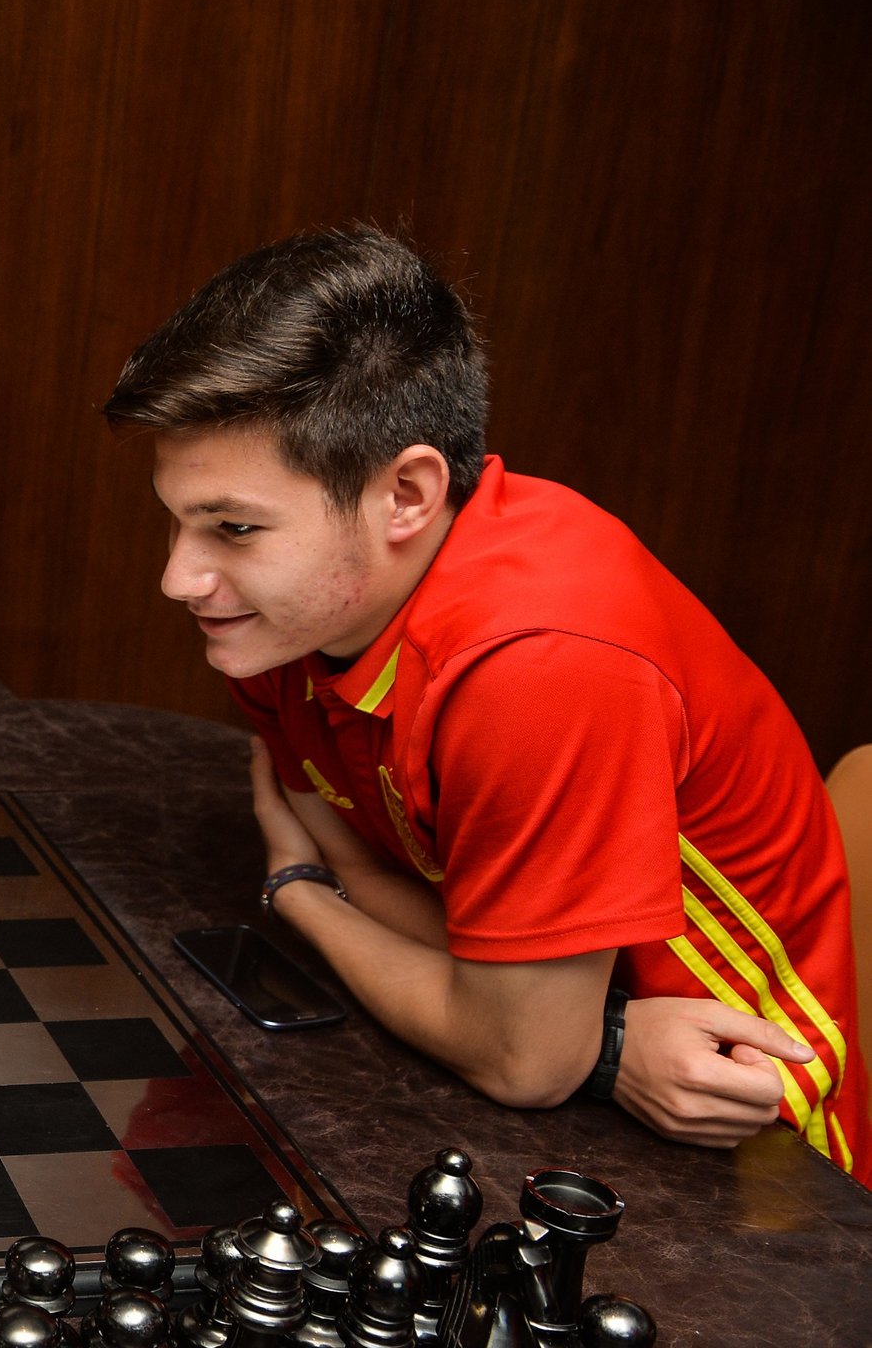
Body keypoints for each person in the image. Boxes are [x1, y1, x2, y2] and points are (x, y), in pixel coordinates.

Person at [104, 225, 863, 1185]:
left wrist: (299, 895)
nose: (181, 577)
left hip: (751, 1149)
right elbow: (380, 875)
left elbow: (525, 1060)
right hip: (568, 1082)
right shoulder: (280, 617)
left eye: (235, 528)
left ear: (409, 494)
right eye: (177, 518)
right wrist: (580, 1032)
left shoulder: (541, 666)